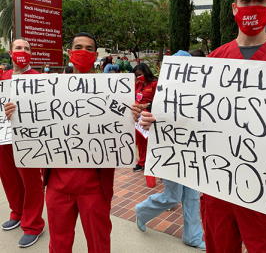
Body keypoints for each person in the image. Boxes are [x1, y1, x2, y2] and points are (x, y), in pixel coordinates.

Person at [140, 0, 266, 253]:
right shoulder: (214, 61)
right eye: (246, 0)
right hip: (218, 187)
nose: (253, 6)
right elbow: (192, 115)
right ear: (234, 7)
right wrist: (160, 120)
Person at [5, 32, 115, 253]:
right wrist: (16, 115)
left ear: (95, 55)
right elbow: (34, 124)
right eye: (79, 47)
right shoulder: (49, 89)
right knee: (59, 244)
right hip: (57, 184)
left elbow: (121, 128)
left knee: (99, 244)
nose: (83, 52)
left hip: (95, 186)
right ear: (69, 53)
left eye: (89, 49)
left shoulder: (113, 89)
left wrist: (136, 116)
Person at [133, 51, 206, 251]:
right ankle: (142, 210)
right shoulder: (162, 93)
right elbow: (149, 120)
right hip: (170, 153)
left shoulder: (198, 91)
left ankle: (192, 236)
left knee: (191, 196)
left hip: (191, 152)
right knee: (173, 196)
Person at [0, 37, 45, 248]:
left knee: (32, 183)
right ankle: (17, 213)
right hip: (4, 140)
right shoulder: (5, 77)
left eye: (27, 48)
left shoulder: (39, 78)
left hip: (28, 140)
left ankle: (34, 225)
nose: (23, 51)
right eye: (18, 47)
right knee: (10, 180)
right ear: (11, 52)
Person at [132, 63, 158, 172]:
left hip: (151, 116)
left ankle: (157, 164)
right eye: (136, 75)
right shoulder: (137, 84)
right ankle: (142, 162)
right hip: (138, 118)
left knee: (153, 141)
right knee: (141, 142)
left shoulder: (155, 84)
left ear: (146, 72)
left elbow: (160, 100)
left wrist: (147, 105)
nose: (138, 77)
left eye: (140, 74)